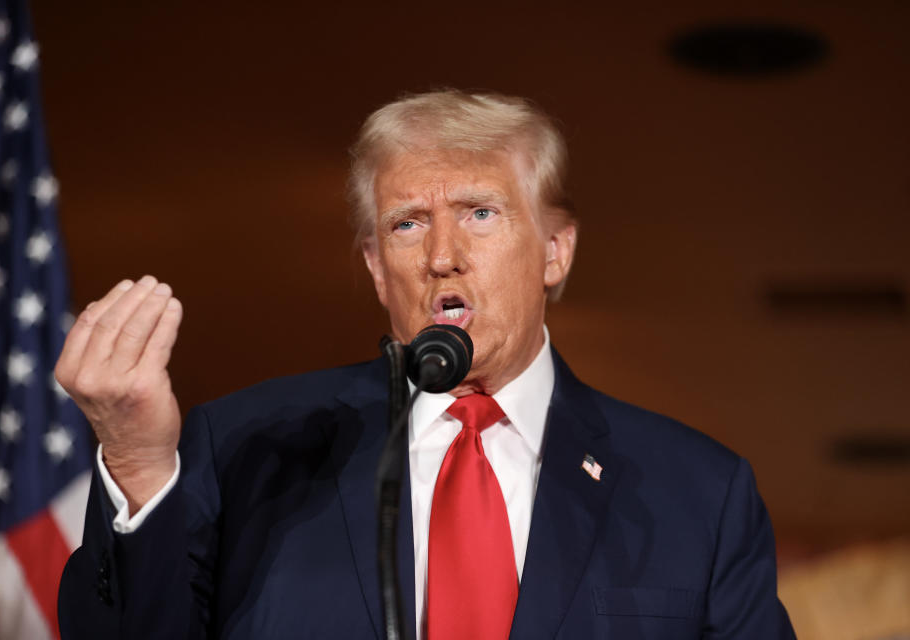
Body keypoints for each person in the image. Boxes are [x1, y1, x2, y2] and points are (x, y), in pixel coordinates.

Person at [56, 90, 796, 639]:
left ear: (554, 250)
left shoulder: (697, 491)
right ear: (379, 270)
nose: (442, 256)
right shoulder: (251, 449)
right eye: (408, 224)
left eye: (480, 212)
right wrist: (137, 462)